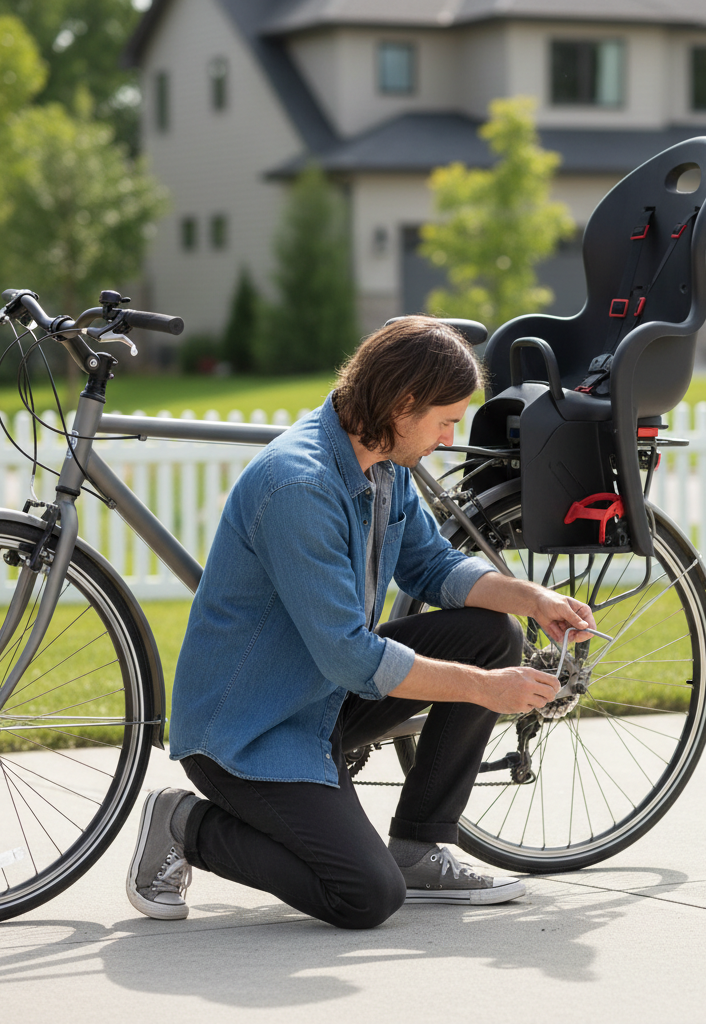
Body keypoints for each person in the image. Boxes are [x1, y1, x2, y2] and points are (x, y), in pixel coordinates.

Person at [126, 316, 595, 929]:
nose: (449, 438)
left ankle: (420, 846)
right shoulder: (300, 485)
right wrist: (488, 691)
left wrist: (531, 599)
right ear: (403, 407)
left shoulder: (381, 463)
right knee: (365, 896)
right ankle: (186, 824)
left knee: (492, 634)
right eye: (445, 419)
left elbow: (431, 565)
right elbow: (350, 655)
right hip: (248, 731)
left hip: (322, 698)